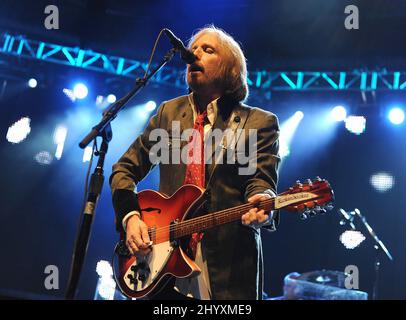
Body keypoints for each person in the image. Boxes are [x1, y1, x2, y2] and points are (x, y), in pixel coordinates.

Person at [109, 25, 281, 300]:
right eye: (194, 48)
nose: (194, 53)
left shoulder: (257, 122)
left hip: (226, 269)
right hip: (161, 264)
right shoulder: (169, 114)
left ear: (231, 70)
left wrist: (263, 201)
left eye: (207, 50)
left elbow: (259, 180)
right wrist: (131, 218)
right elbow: (124, 169)